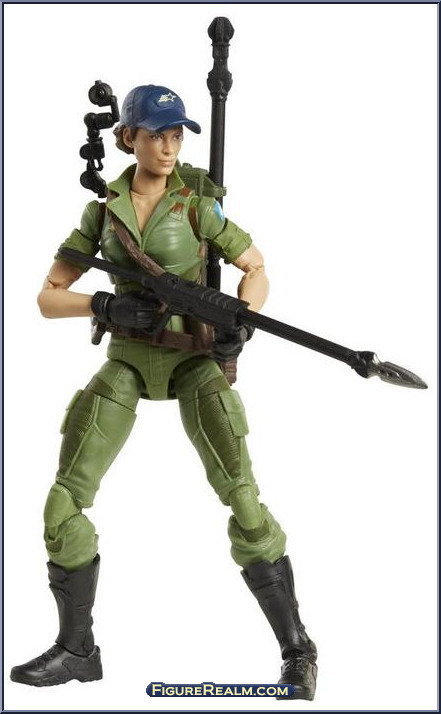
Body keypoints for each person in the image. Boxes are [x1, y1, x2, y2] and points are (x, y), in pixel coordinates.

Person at [10, 85, 317, 700]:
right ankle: (77, 651)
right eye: (157, 135)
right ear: (129, 137)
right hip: (126, 361)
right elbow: (47, 296)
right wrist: (101, 304)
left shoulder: (196, 206)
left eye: (177, 135)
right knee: (61, 505)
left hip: (192, 363)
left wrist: (242, 322)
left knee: (244, 500)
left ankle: (297, 649)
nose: (169, 147)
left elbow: (256, 267)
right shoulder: (103, 214)